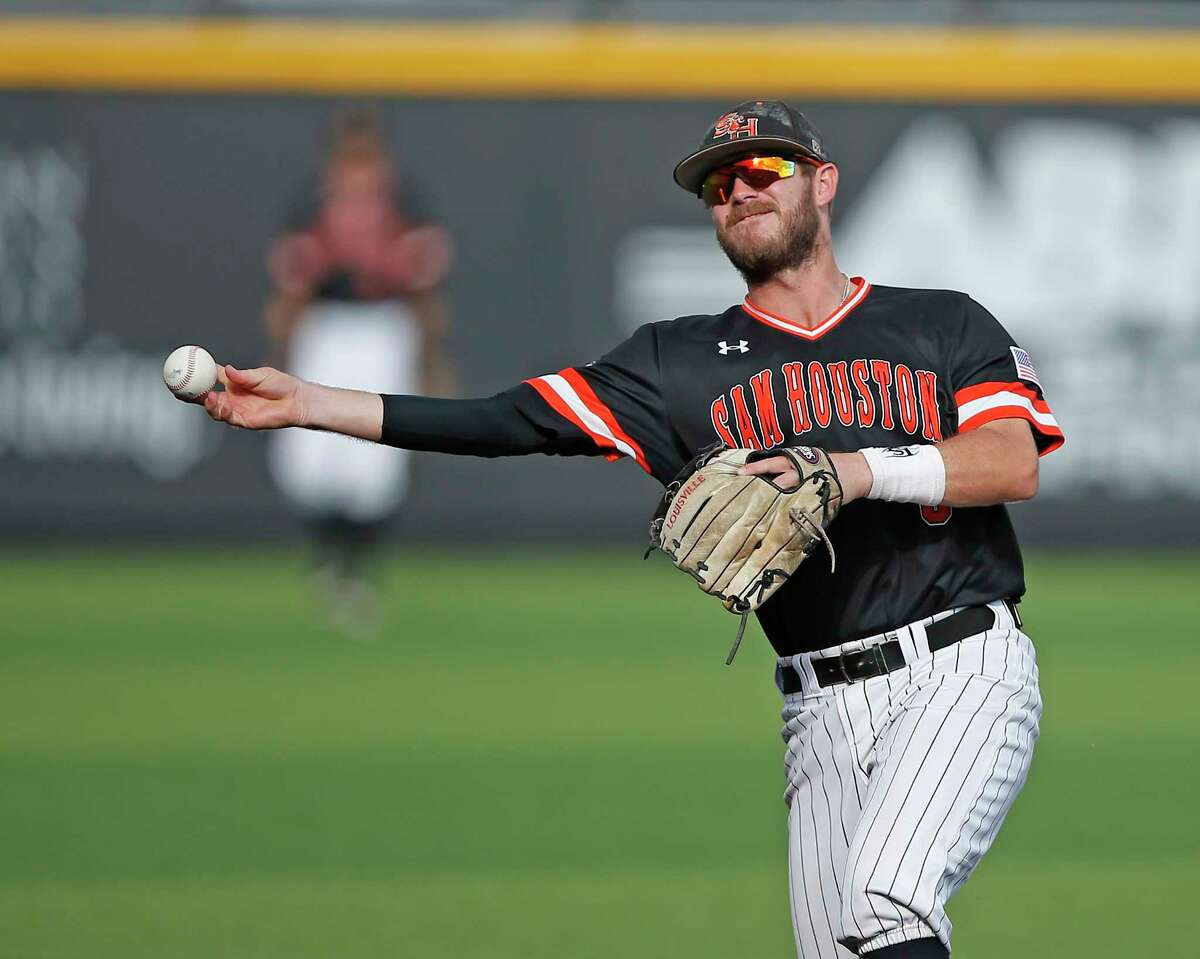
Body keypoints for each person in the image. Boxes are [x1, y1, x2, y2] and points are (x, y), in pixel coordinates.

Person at [202, 100, 1063, 958]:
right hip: (818, 703)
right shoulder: (675, 364)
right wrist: (309, 402)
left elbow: (1010, 459)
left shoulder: (941, 323)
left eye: (764, 170)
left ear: (824, 183)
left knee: (885, 898)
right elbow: (506, 420)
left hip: (960, 666)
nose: (740, 191)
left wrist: (856, 470)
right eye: (719, 185)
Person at [262, 111, 455, 631]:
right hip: (326, 328)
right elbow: (290, 294)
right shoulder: (313, 205)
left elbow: (424, 294)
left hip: (383, 328)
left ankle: (355, 570)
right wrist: (281, 354)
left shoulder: (403, 206)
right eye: (351, 156)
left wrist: (432, 359)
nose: (360, 168)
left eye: (367, 155)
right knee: (307, 460)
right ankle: (330, 559)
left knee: (374, 461)